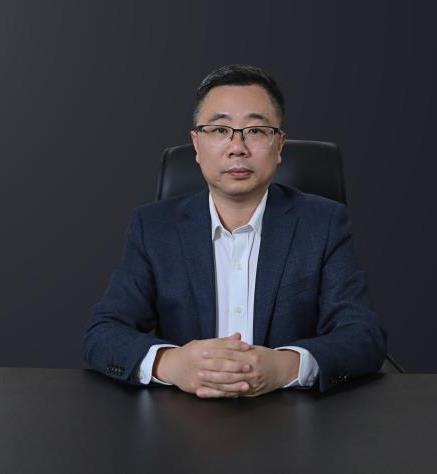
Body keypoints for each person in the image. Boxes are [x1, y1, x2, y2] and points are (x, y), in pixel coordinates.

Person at [82, 64, 387, 398]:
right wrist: (173, 364)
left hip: (291, 415)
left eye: (255, 131)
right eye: (219, 130)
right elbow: (103, 332)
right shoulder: (154, 228)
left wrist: (285, 367)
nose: (237, 147)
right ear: (196, 144)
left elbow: (363, 335)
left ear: (279, 144)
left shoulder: (323, 223)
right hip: (182, 416)